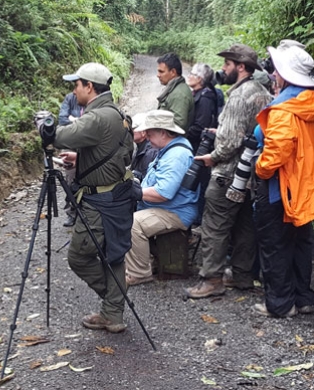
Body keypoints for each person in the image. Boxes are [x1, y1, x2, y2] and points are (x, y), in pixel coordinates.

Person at [38, 62, 135, 333]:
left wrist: (43, 128)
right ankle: (113, 313)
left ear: (89, 87)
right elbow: (114, 153)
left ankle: (115, 304)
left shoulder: (96, 117)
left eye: (76, 84)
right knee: (113, 254)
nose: (73, 90)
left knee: (79, 256)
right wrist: (82, 158)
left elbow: (58, 137)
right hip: (117, 196)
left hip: (99, 202)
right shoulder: (117, 113)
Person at [252, 40, 314, 318]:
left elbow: (276, 153)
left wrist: (260, 169)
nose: (274, 74)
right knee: (300, 242)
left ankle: (280, 304)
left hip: (281, 188)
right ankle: (304, 298)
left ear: (284, 75)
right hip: (308, 185)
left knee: (275, 243)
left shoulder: (284, 110)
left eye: (277, 70)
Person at [184, 44, 272, 299]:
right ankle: (243, 275)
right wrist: (219, 132)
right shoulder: (263, 92)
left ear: (241, 67)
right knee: (245, 224)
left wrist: (213, 156)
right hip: (250, 173)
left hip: (228, 174)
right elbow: (249, 131)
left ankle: (212, 279)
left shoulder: (239, 95)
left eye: (227, 64)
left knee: (214, 226)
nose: (223, 69)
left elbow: (232, 140)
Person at [124, 110, 198, 286]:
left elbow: (164, 193)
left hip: (176, 211)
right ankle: (144, 259)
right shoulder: (167, 150)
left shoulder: (177, 155)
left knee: (133, 223)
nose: (147, 137)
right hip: (168, 207)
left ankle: (140, 272)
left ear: (163, 133)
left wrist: (138, 193)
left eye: (150, 133)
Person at [57, 92, 84, 227]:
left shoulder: (96, 101)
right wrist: (81, 122)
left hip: (87, 146)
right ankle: (71, 213)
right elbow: (62, 119)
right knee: (70, 181)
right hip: (71, 145)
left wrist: (74, 120)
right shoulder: (70, 98)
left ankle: (85, 212)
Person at [185, 63, 219, 150]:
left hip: (195, 146)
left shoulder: (205, 98)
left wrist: (180, 134)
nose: (189, 76)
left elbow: (200, 127)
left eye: (192, 74)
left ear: (199, 79)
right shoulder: (198, 94)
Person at [156, 53, 194, 131]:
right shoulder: (174, 89)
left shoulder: (180, 94)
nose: (158, 75)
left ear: (173, 72)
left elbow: (179, 123)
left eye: (161, 72)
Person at [129, 112, 159, 182]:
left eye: (133, 129)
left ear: (143, 132)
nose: (130, 132)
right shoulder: (140, 148)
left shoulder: (150, 153)